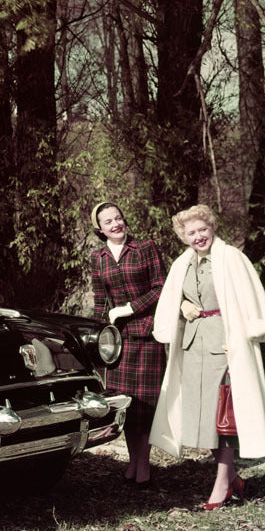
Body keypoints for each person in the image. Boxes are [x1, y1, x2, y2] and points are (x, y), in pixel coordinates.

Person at [150, 204, 265, 510]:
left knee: (225, 417)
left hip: (224, 345)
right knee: (203, 417)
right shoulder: (182, 263)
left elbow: (247, 298)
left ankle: (221, 483)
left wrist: (237, 339)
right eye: (191, 232)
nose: (198, 237)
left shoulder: (230, 257)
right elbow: (172, 297)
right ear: (183, 236)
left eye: (202, 230)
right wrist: (181, 306)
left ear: (212, 228)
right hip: (193, 347)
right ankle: (231, 477)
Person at [90, 201, 167, 487]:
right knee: (127, 405)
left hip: (148, 335)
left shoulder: (145, 247)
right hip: (119, 342)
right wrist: (97, 337)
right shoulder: (98, 259)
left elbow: (161, 287)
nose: (115, 224)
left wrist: (130, 308)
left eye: (118, 218)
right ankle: (132, 462)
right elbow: (100, 302)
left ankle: (143, 465)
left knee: (146, 405)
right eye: (108, 222)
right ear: (100, 229)